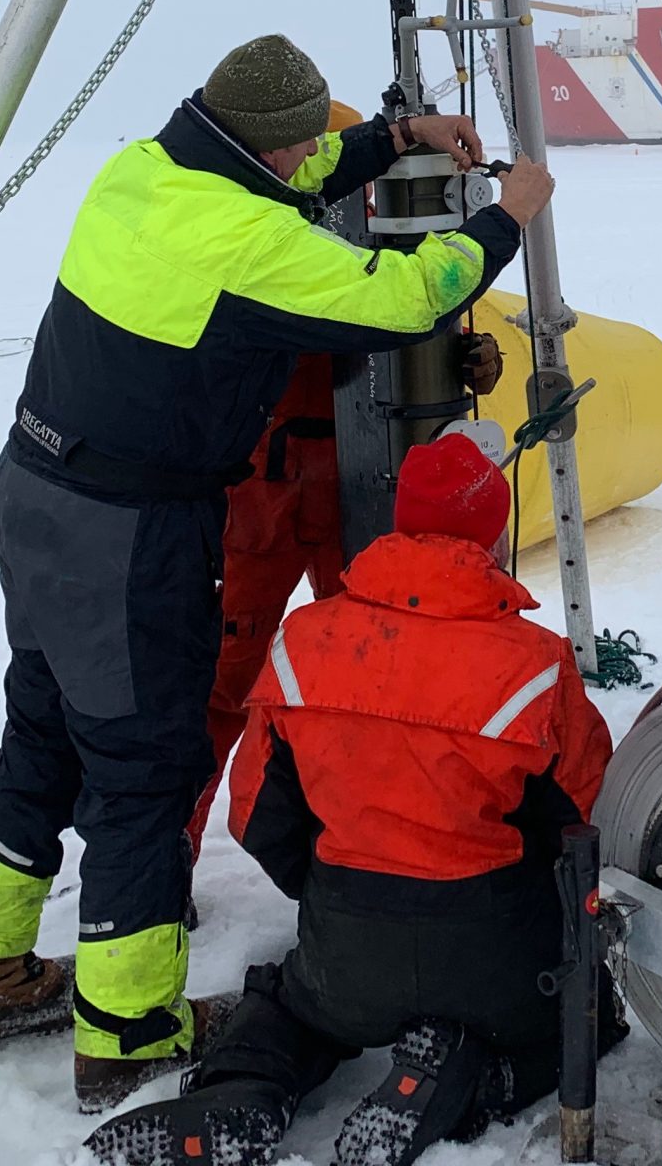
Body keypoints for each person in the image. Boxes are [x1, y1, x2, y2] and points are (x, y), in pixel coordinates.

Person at [0, 35, 553, 1112]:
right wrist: (505, 217)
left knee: (41, 730)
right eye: (307, 140)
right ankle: (126, 1029)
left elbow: (297, 174)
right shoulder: (244, 236)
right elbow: (404, 299)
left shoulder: (146, 169)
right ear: (279, 139)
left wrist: (396, 138)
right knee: (146, 771)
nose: (313, 157)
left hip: (33, 490)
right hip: (130, 526)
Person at [84, 433, 617, 1166]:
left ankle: (240, 1092)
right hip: (491, 946)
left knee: (292, 1008)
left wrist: (334, 887)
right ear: (494, 534)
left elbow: (253, 812)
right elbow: (589, 816)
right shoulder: (536, 663)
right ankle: (468, 1077)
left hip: (347, 944)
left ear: (397, 522)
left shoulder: (306, 637)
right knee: (586, 1016)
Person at [181, 103, 508, 863]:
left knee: (374, 672)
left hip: (363, 487)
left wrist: (469, 357)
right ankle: (170, 850)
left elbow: (416, 318)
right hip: (266, 494)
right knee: (223, 684)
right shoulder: (252, 242)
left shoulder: (375, 245)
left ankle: (364, 843)